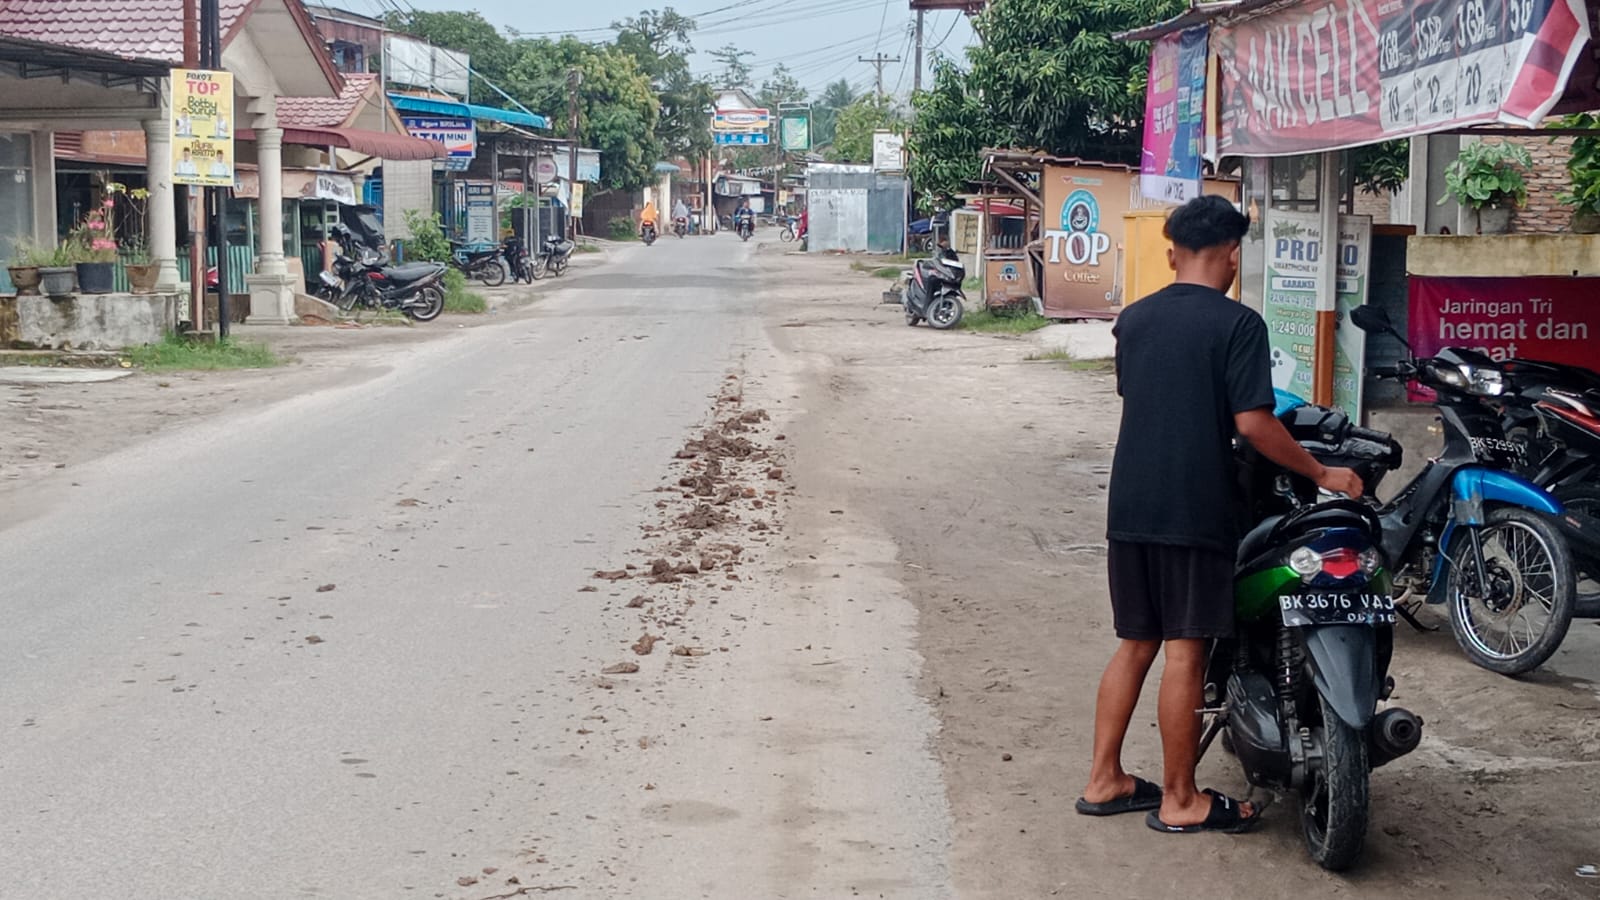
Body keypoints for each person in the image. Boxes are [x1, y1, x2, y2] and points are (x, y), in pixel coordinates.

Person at [1076, 195, 1363, 835]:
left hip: (1130, 503)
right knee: (1186, 651)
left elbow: (1147, 399)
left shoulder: (1136, 319)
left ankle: (1105, 779)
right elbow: (1254, 424)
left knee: (1135, 643)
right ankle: (1181, 799)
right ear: (1233, 254)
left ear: (1173, 250)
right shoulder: (1238, 325)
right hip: (1193, 506)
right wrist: (1321, 473)